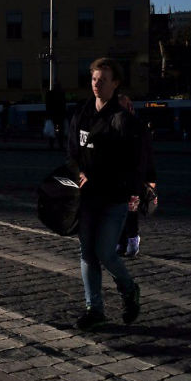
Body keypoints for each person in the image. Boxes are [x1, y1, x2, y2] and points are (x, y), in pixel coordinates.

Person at [66, 58, 143, 330]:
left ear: (115, 83)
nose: (97, 84)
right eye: (94, 79)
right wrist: (78, 175)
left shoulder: (122, 119)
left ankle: (129, 288)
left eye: (103, 80)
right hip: (87, 198)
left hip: (113, 198)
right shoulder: (83, 113)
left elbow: (130, 163)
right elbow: (73, 153)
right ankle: (94, 308)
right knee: (87, 254)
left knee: (105, 252)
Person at [116, 95, 157, 258]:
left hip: (134, 177)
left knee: (130, 210)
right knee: (119, 210)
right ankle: (122, 242)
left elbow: (148, 154)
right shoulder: (113, 126)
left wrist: (151, 179)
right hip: (118, 176)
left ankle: (132, 240)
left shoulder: (139, 127)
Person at [45, 82, 67, 149]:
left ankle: (52, 144)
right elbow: (63, 105)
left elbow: (48, 105)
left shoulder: (50, 94)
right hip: (58, 117)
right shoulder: (61, 94)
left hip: (54, 117)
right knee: (58, 131)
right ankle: (59, 144)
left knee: (53, 131)